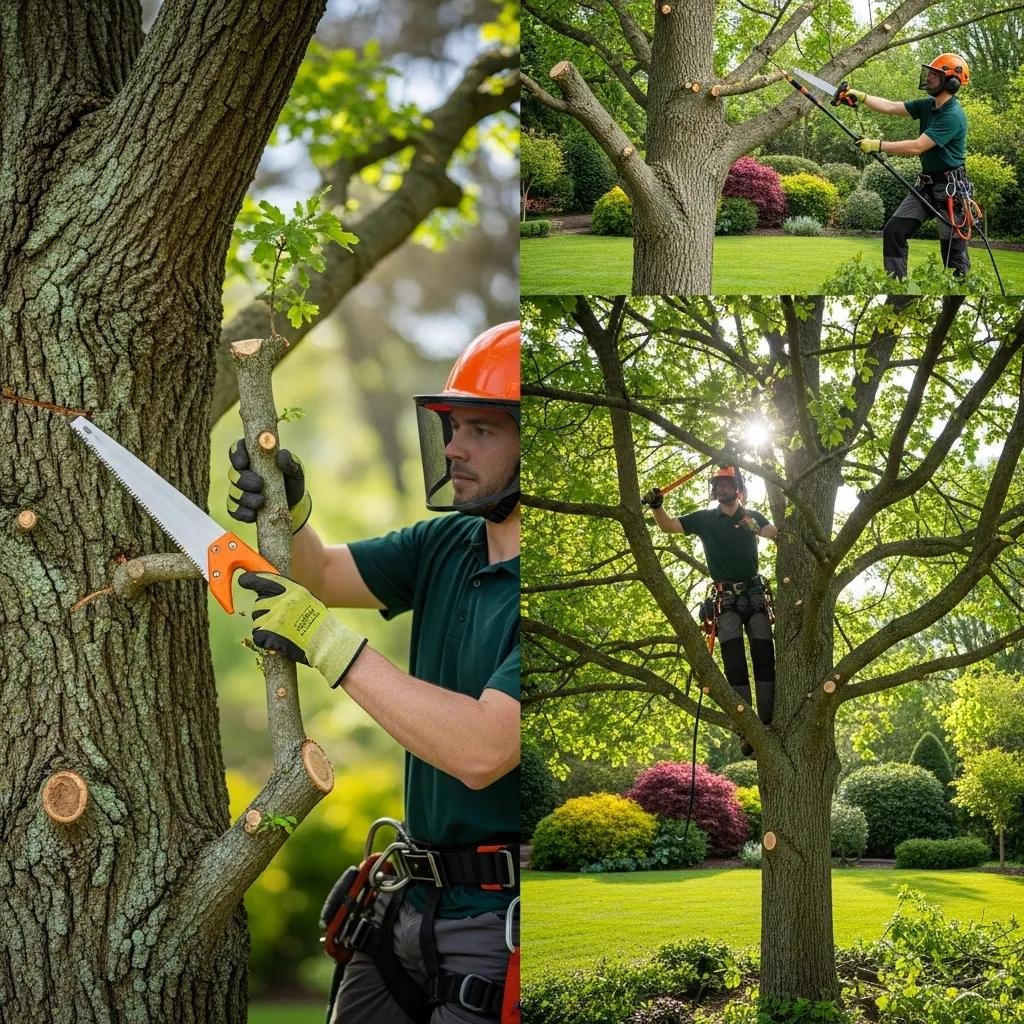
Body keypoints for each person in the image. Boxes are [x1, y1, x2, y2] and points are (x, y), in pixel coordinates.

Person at [226, 322, 521, 1024]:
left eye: (480, 429)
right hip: (408, 893)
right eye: (452, 426)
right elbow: (321, 574)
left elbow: (484, 749)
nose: (453, 447)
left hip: (497, 921)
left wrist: (328, 647)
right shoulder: (447, 541)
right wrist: (288, 510)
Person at [644, 465, 777, 757]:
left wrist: (753, 524)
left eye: (727, 484)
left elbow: (774, 534)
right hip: (725, 600)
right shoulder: (705, 519)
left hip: (754, 596)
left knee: (765, 659)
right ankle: (746, 729)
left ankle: (769, 721)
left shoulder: (751, 516)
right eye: (717, 484)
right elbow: (668, 526)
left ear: (738, 488)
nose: (721, 488)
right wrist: (657, 506)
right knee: (734, 664)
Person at [839, 54, 972, 278]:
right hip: (927, 186)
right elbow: (891, 107)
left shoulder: (953, 116)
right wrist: (860, 96)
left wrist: (877, 145)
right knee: (894, 232)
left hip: (951, 191)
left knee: (954, 255)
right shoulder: (928, 106)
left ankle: (958, 291)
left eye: (934, 74)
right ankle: (897, 286)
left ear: (951, 82)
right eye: (928, 73)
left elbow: (916, 147)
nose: (928, 78)